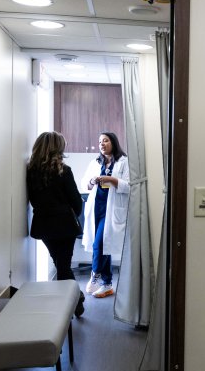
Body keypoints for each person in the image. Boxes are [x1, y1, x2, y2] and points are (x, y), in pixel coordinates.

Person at [26, 131, 86, 317]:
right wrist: (69, 214)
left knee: (60, 263)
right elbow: (76, 201)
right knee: (63, 265)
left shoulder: (31, 171)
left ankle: (74, 301)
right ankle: (73, 301)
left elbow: (34, 200)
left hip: (44, 225)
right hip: (64, 225)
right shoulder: (64, 171)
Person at [81, 131, 130, 298]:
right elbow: (85, 184)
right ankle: (107, 284)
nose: (102, 144)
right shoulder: (95, 162)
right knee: (104, 246)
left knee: (100, 243)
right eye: (100, 141)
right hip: (96, 208)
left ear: (113, 143)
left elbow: (130, 186)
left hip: (112, 210)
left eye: (105, 141)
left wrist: (112, 180)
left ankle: (96, 274)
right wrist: (92, 181)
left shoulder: (124, 162)